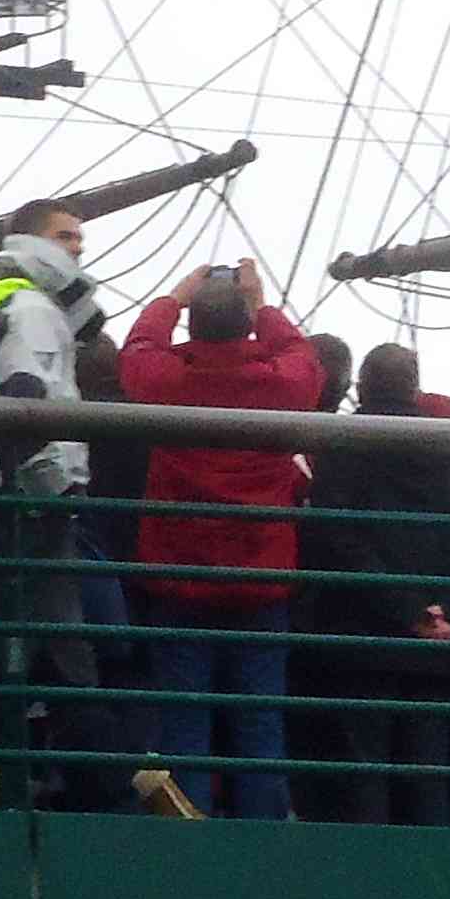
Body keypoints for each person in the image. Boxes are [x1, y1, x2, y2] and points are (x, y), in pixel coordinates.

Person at [117, 261, 323, 822]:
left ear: (193, 325)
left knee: (184, 723)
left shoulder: (169, 382)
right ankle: (261, 841)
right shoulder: (280, 385)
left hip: (180, 579)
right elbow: (304, 358)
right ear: (246, 326)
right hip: (261, 579)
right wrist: (262, 304)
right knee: (260, 724)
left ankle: (189, 840)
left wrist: (174, 297)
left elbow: (137, 350)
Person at [0, 207, 131, 803]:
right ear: (32, 242)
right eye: (65, 236)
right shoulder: (31, 310)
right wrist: (49, 495)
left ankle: (100, 789)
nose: (77, 249)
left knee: (26, 653)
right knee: (45, 656)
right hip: (26, 505)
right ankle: (110, 795)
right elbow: (25, 404)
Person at [297, 343, 450, 828]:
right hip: (436, 643)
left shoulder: (344, 449)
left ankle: (370, 870)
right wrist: (447, 611)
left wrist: (405, 608)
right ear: (415, 388)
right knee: (428, 775)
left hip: (361, 635)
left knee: (364, 773)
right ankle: (433, 867)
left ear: (361, 387)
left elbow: (336, 540)